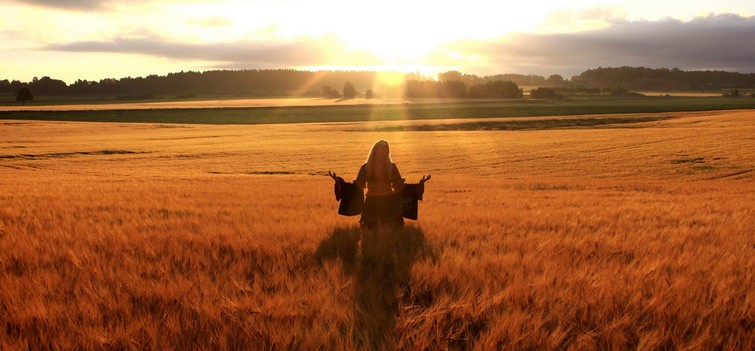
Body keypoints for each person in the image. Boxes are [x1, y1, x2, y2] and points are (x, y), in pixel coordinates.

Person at [329, 140, 430, 229]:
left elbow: (399, 186)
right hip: (371, 202)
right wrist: (339, 182)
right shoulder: (366, 167)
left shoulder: (391, 167)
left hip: (389, 201)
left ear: (387, 151)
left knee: (392, 229)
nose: (383, 150)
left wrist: (418, 185)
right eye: (380, 147)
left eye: (385, 148)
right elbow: (357, 186)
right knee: (369, 229)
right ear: (375, 150)